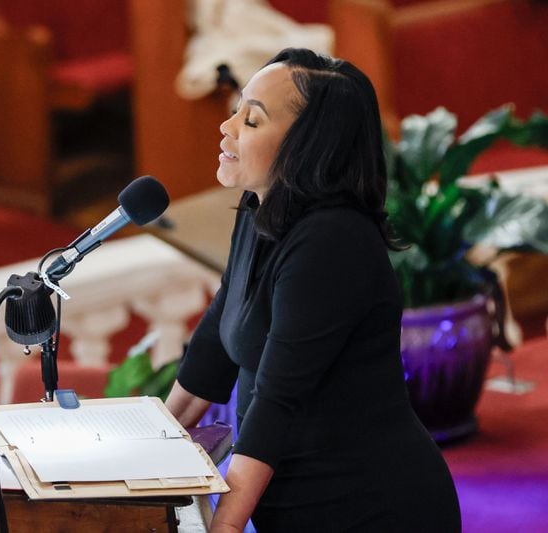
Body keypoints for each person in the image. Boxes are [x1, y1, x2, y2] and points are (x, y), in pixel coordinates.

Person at [165, 48, 461, 532]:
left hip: (370, 509)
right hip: (303, 509)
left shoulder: (333, 242)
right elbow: (217, 341)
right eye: (237, 108)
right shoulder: (259, 209)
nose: (228, 127)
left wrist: (221, 529)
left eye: (252, 120)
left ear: (309, 145)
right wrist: (144, 450)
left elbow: (276, 401)